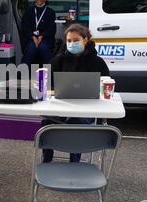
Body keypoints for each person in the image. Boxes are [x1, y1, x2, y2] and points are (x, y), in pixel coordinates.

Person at [42, 23, 110, 163]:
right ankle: (47, 158)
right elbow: (46, 83)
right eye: (69, 41)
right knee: (46, 123)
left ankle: (74, 161)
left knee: (76, 121)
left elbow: (105, 84)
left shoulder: (97, 62)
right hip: (60, 106)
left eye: (76, 40)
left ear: (85, 39)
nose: (72, 43)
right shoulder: (58, 60)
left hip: (86, 109)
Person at [21, 0, 56, 67]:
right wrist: (33, 37)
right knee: (31, 47)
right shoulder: (28, 11)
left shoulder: (50, 12)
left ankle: (51, 72)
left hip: (45, 39)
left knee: (42, 47)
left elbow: (52, 28)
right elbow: (25, 26)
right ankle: (22, 73)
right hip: (31, 38)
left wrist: (41, 36)